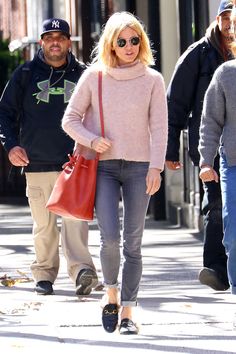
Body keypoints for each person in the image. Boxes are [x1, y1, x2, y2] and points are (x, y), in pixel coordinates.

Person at [62, 12, 168, 334]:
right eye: (122, 41)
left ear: (142, 42)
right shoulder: (94, 77)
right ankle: (110, 292)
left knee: (133, 244)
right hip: (103, 168)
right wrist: (93, 140)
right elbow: (70, 119)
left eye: (135, 40)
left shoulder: (153, 80)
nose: (129, 46)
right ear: (111, 43)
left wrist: (156, 167)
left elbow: (160, 127)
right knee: (109, 238)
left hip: (139, 169)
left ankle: (129, 312)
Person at [0, 18, 98, 296]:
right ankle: (44, 274)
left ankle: (82, 272)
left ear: (69, 41)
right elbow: (4, 113)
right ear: (42, 42)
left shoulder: (84, 74)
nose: (55, 42)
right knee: (43, 225)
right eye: (49, 37)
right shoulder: (25, 73)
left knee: (75, 223)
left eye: (61, 37)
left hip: (75, 162)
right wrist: (11, 146)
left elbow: (98, 114)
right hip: (37, 162)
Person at [165, 0, 235, 291]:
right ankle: (217, 268)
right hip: (209, 145)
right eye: (226, 19)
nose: (230, 25)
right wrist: (170, 149)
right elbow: (176, 102)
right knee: (218, 206)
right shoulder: (198, 54)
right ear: (218, 19)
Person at [198, 3, 236, 304]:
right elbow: (210, 121)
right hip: (232, 163)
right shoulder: (225, 74)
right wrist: (205, 160)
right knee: (233, 232)